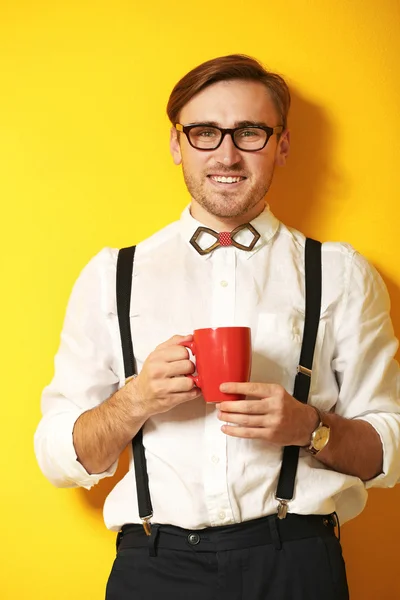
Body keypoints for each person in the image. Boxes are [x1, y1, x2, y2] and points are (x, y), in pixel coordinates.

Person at [34, 54, 400, 600]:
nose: (227, 154)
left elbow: (389, 446)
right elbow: (58, 457)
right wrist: (135, 400)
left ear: (282, 145)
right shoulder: (114, 274)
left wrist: (309, 426)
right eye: (205, 132)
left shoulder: (341, 272)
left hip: (297, 563)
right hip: (154, 569)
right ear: (177, 144)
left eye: (250, 132)